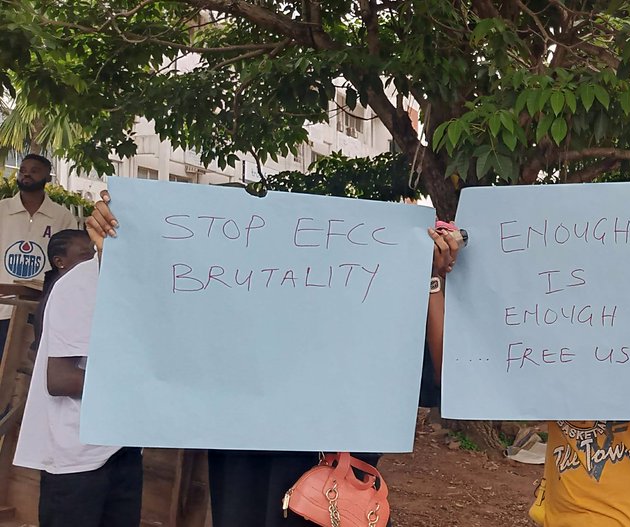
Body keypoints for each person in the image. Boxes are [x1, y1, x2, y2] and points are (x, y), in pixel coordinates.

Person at [86, 190, 460, 527]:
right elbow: (154, 337)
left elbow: (443, 377)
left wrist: (429, 279)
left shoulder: (370, 322)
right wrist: (120, 251)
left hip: (331, 503)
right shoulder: (218, 329)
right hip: (243, 493)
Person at [13, 239, 141, 526]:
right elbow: (59, 379)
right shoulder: (82, 284)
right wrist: (140, 384)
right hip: (77, 454)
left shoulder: (134, 282)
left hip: (122, 445)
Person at [0, 154, 78, 357]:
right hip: (2, 307)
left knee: (25, 378)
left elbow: (71, 266)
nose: (27, 174)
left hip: (40, 310)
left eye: (35, 171)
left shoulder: (63, 217)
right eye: (23, 169)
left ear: (48, 178)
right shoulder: (2, 210)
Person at [31, 230, 95, 359]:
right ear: (59, 262)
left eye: (95, 256)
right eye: (86, 256)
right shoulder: (65, 299)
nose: (92, 262)